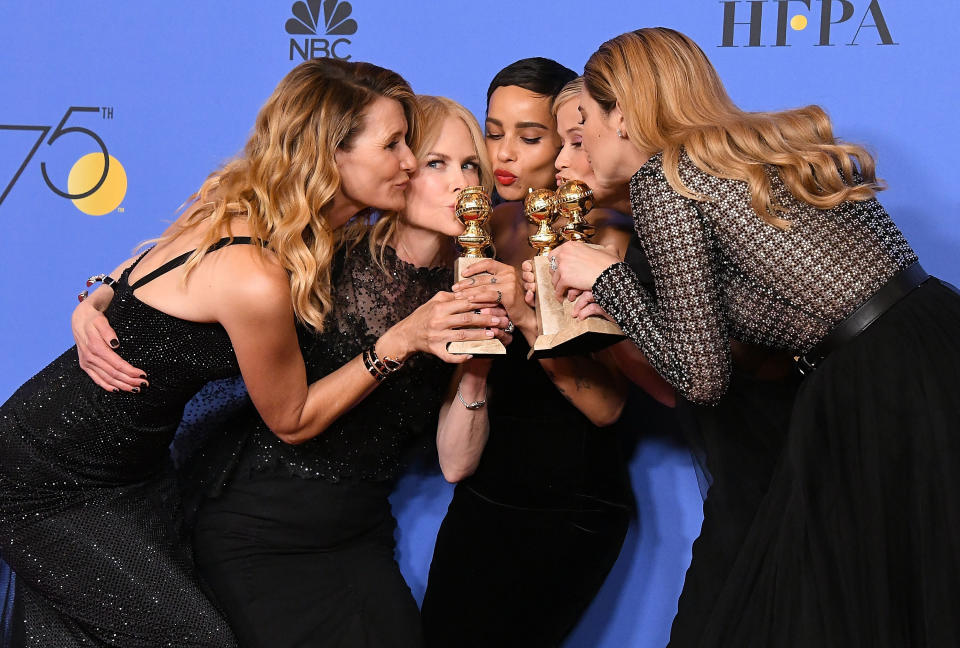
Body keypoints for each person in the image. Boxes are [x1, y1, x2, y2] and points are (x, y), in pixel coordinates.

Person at [0, 60, 497, 647]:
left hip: (142, 471)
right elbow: (291, 420)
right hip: (51, 475)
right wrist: (400, 340)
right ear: (330, 155)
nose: (410, 163)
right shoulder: (256, 270)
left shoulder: (264, 216)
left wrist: (98, 296)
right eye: (395, 146)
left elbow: (142, 269)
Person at [550, 27, 960, 647]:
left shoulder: (665, 180)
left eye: (585, 123)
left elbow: (702, 379)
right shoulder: (752, 144)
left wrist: (610, 281)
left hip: (874, 380)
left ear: (626, 115)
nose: (579, 147)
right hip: (936, 333)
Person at [420, 59, 635, 648]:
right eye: (493, 133)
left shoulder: (603, 239)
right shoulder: (470, 228)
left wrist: (524, 313)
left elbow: (609, 408)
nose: (504, 154)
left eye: (530, 136)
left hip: (569, 501)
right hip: (484, 489)